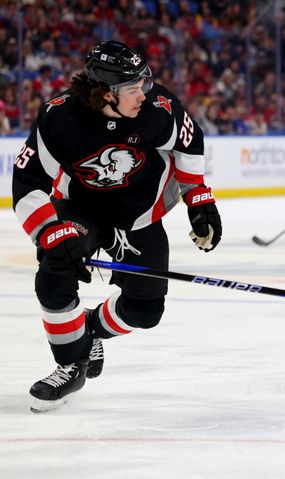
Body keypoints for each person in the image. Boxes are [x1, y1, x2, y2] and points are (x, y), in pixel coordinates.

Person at [12, 40, 222, 412]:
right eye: (132, 88)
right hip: (80, 207)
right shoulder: (60, 117)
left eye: (144, 82)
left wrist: (198, 197)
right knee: (54, 271)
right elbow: (27, 181)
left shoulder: (158, 107)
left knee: (145, 311)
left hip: (137, 215)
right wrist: (49, 231)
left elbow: (190, 144)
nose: (143, 93)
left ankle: (90, 327)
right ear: (105, 92)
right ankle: (70, 363)